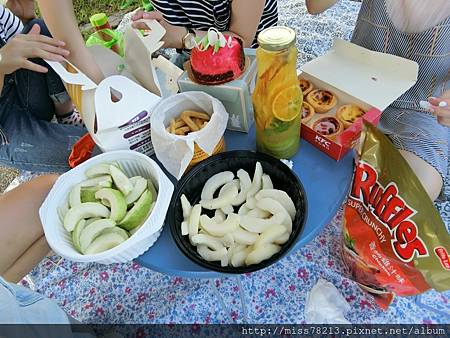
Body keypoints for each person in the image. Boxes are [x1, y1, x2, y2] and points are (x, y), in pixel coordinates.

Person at [306, 0, 450, 201]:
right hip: (355, 87)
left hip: (421, 106)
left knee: (409, 196)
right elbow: (314, 6)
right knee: (306, 160)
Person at [36, 0, 278, 84]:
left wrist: (183, 37)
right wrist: (98, 80)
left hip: (251, 63)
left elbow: (241, 39)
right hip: (188, 56)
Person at [0, 0, 86, 173]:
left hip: (19, 90)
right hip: (5, 128)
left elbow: (25, 44)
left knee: (40, 29)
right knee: (92, 152)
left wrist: (25, 18)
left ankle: (66, 113)